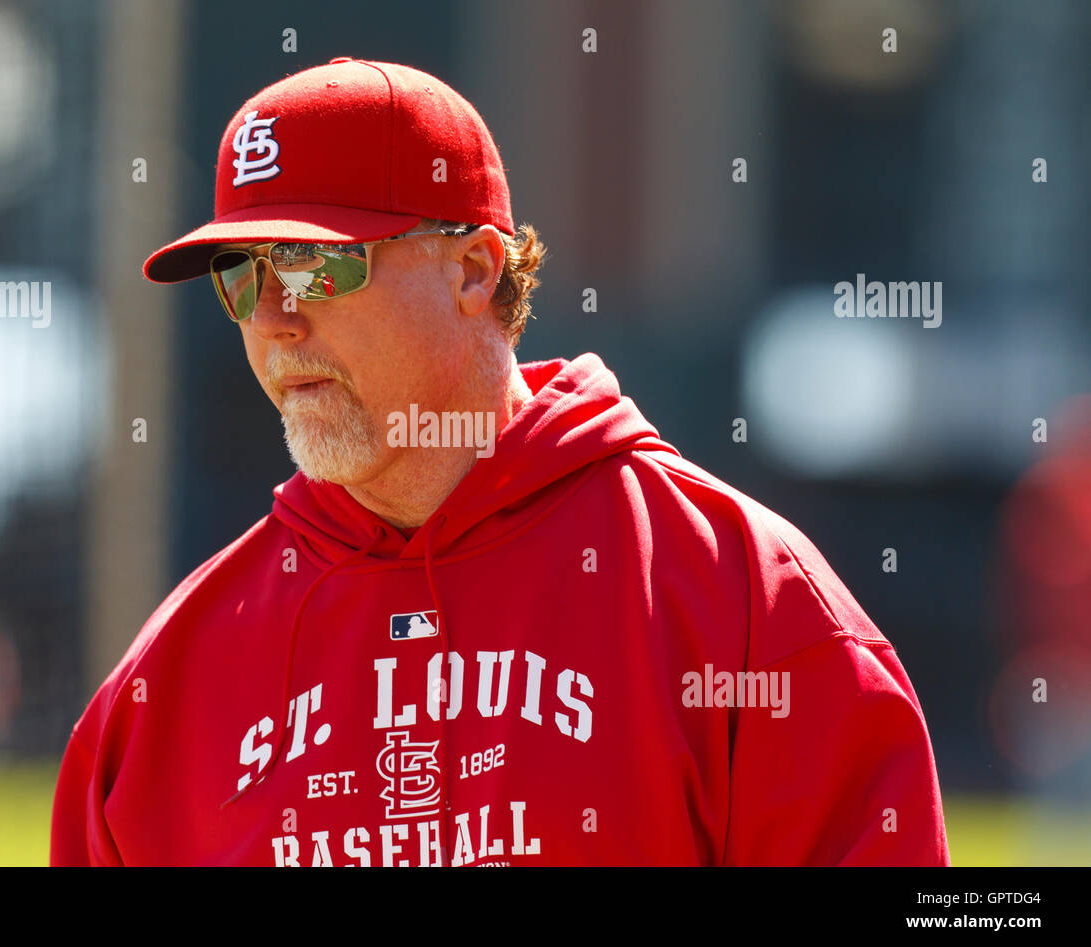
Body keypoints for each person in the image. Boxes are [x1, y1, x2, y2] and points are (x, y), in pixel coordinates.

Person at [50, 57, 950, 866]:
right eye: (241, 275)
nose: (274, 320)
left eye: (315, 266)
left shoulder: (740, 595)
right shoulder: (165, 683)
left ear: (475, 271)